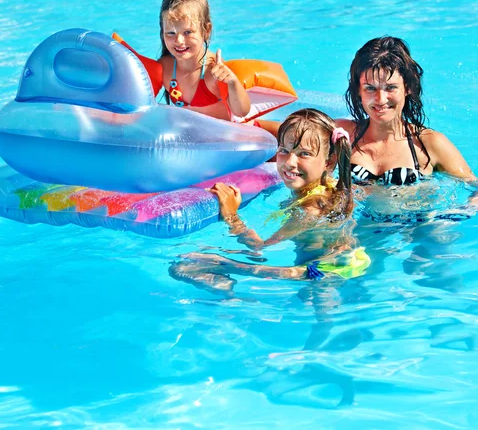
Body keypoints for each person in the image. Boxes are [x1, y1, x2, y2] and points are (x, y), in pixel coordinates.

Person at [170, 109, 370, 295]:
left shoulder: (309, 209)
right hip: (345, 260)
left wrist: (231, 216)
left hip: (319, 273)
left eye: (304, 154)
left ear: (329, 161)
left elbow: (259, 248)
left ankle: (231, 295)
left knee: (186, 265)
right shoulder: (332, 187)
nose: (290, 162)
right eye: (284, 150)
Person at [338, 36, 475, 185]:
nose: (381, 99)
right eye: (370, 88)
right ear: (359, 90)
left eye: (391, 87)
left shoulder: (429, 143)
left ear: (408, 87)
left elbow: (473, 185)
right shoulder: (341, 134)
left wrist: (460, 208)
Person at [158, 0, 251, 121]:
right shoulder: (164, 68)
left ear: (206, 31)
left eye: (188, 32)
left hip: (232, 136)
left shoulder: (213, 71)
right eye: (171, 33)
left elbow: (241, 112)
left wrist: (232, 82)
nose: (179, 41)